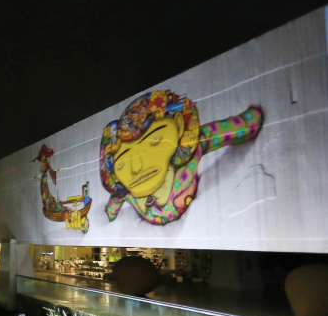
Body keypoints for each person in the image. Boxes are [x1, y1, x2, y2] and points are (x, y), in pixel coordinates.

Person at [99, 90, 263, 225]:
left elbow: (218, 132)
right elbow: (115, 199)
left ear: (178, 125)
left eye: (155, 140)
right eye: (122, 163)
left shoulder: (189, 150)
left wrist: (247, 125)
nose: (136, 167)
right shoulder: (126, 191)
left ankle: (180, 199)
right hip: (155, 208)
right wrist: (110, 212)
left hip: (174, 202)